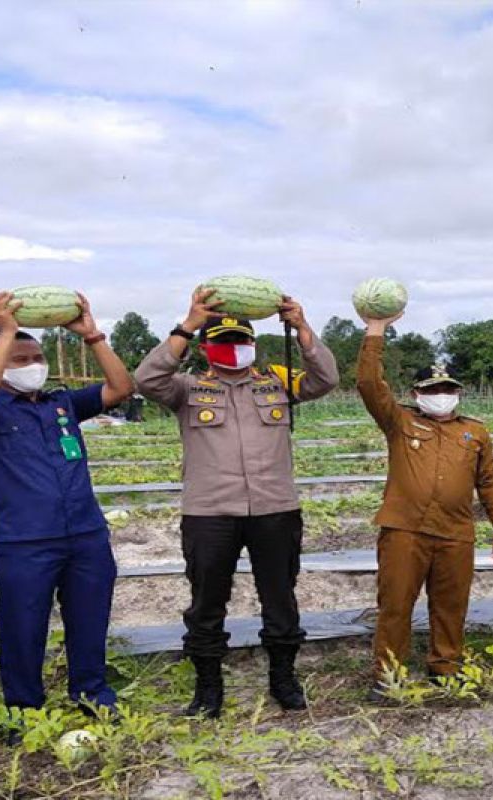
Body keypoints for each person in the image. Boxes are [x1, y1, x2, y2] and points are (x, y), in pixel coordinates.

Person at [134, 287, 339, 718]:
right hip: (210, 513)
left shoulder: (277, 383)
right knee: (207, 601)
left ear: (253, 346)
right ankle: (208, 688)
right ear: (208, 349)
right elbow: (146, 380)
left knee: (280, 597)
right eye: (224, 342)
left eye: (242, 341)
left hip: (275, 508)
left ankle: (283, 679)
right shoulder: (187, 388)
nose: (234, 349)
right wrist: (186, 326)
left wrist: (302, 329)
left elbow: (325, 380)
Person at [0, 292, 134, 717]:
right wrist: (6, 332)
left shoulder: (62, 403)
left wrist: (93, 337)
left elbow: (121, 388)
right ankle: (24, 710)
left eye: (36, 356)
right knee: (22, 628)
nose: (33, 364)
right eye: (19, 359)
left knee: (89, 621)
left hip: (85, 534)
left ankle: (93, 694)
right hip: (25, 541)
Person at [356, 310, 493, 693]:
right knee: (395, 605)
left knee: (450, 606)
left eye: (446, 389)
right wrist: (376, 330)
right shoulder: (400, 422)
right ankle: (389, 676)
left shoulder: (474, 432)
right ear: (415, 394)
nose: (439, 397)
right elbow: (367, 383)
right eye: (429, 390)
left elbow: (488, 481)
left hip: (456, 532)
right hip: (404, 530)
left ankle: (445, 668)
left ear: (457, 393)